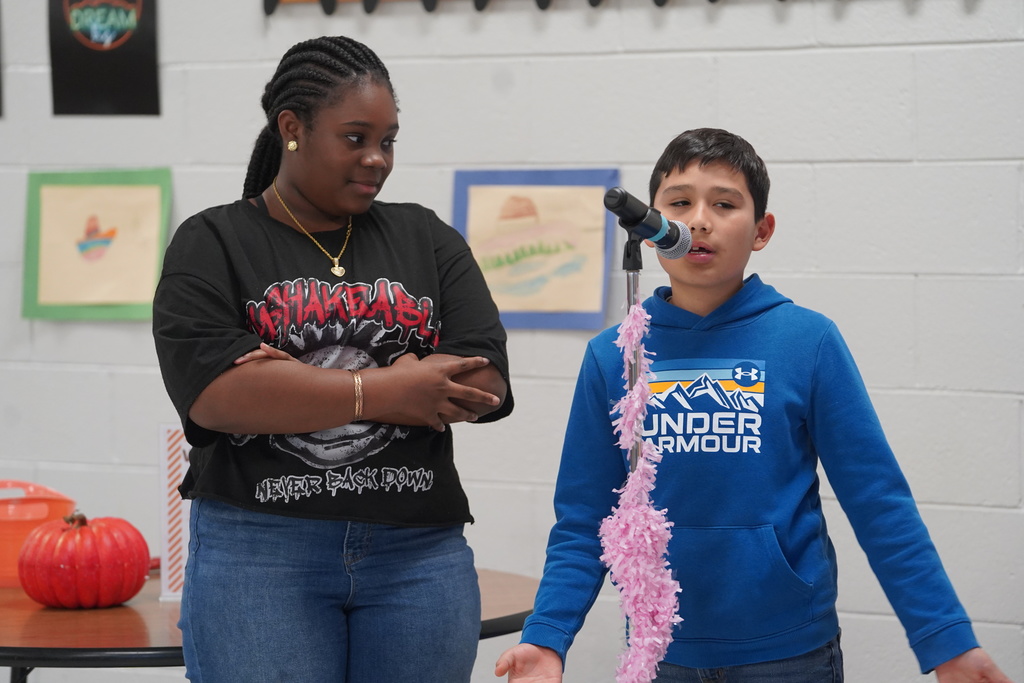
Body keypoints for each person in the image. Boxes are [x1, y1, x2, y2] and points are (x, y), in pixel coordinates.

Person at [495, 128, 1012, 683]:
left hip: (788, 655)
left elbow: (878, 501)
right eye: (679, 203)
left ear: (761, 230)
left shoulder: (807, 341)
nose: (699, 220)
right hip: (660, 650)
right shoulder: (613, 355)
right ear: (650, 229)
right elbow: (584, 517)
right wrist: (547, 636)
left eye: (724, 204)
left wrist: (946, 640)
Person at [152, 35, 513, 683]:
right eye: (355, 138)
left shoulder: (425, 236)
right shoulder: (213, 242)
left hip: (416, 553)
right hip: (259, 550)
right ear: (292, 128)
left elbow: (484, 380)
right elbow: (217, 398)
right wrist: (391, 389)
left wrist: (287, 383)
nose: (377, 159)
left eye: (388, 140)